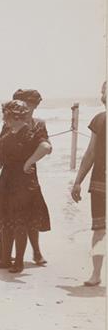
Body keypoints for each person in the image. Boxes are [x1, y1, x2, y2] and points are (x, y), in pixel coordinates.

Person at [0, 100, 52, 273]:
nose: (4, 119)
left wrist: (27, 162)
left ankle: (18, 262)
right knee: (7, 222)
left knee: (20, 223)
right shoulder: (12, 134)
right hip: (11, 180)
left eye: (6, 116)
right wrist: (21, 164)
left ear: (14, 117)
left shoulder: (29, 135)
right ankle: (6, 260)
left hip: (22, 183)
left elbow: (46, 146)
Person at [71, 80, 107, 286]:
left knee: (100, 231)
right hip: (100, 182)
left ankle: (96, 274)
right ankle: (96, 273)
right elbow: (91, 153)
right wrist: (78, 181)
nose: (102, 95)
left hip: (101, 182)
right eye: (103, 91)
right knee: (99, 229)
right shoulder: (100, 120)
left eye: (105, 91)